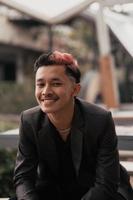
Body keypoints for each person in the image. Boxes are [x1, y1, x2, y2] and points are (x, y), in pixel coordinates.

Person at [13, 51, 133, 200]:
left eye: (56, 84)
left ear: (75, 90)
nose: (46, 91)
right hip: (55, 192)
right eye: (41, 84)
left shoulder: (100, 120)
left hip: (101, 193)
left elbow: (105, 184)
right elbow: (23, 177)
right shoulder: (29, 120)